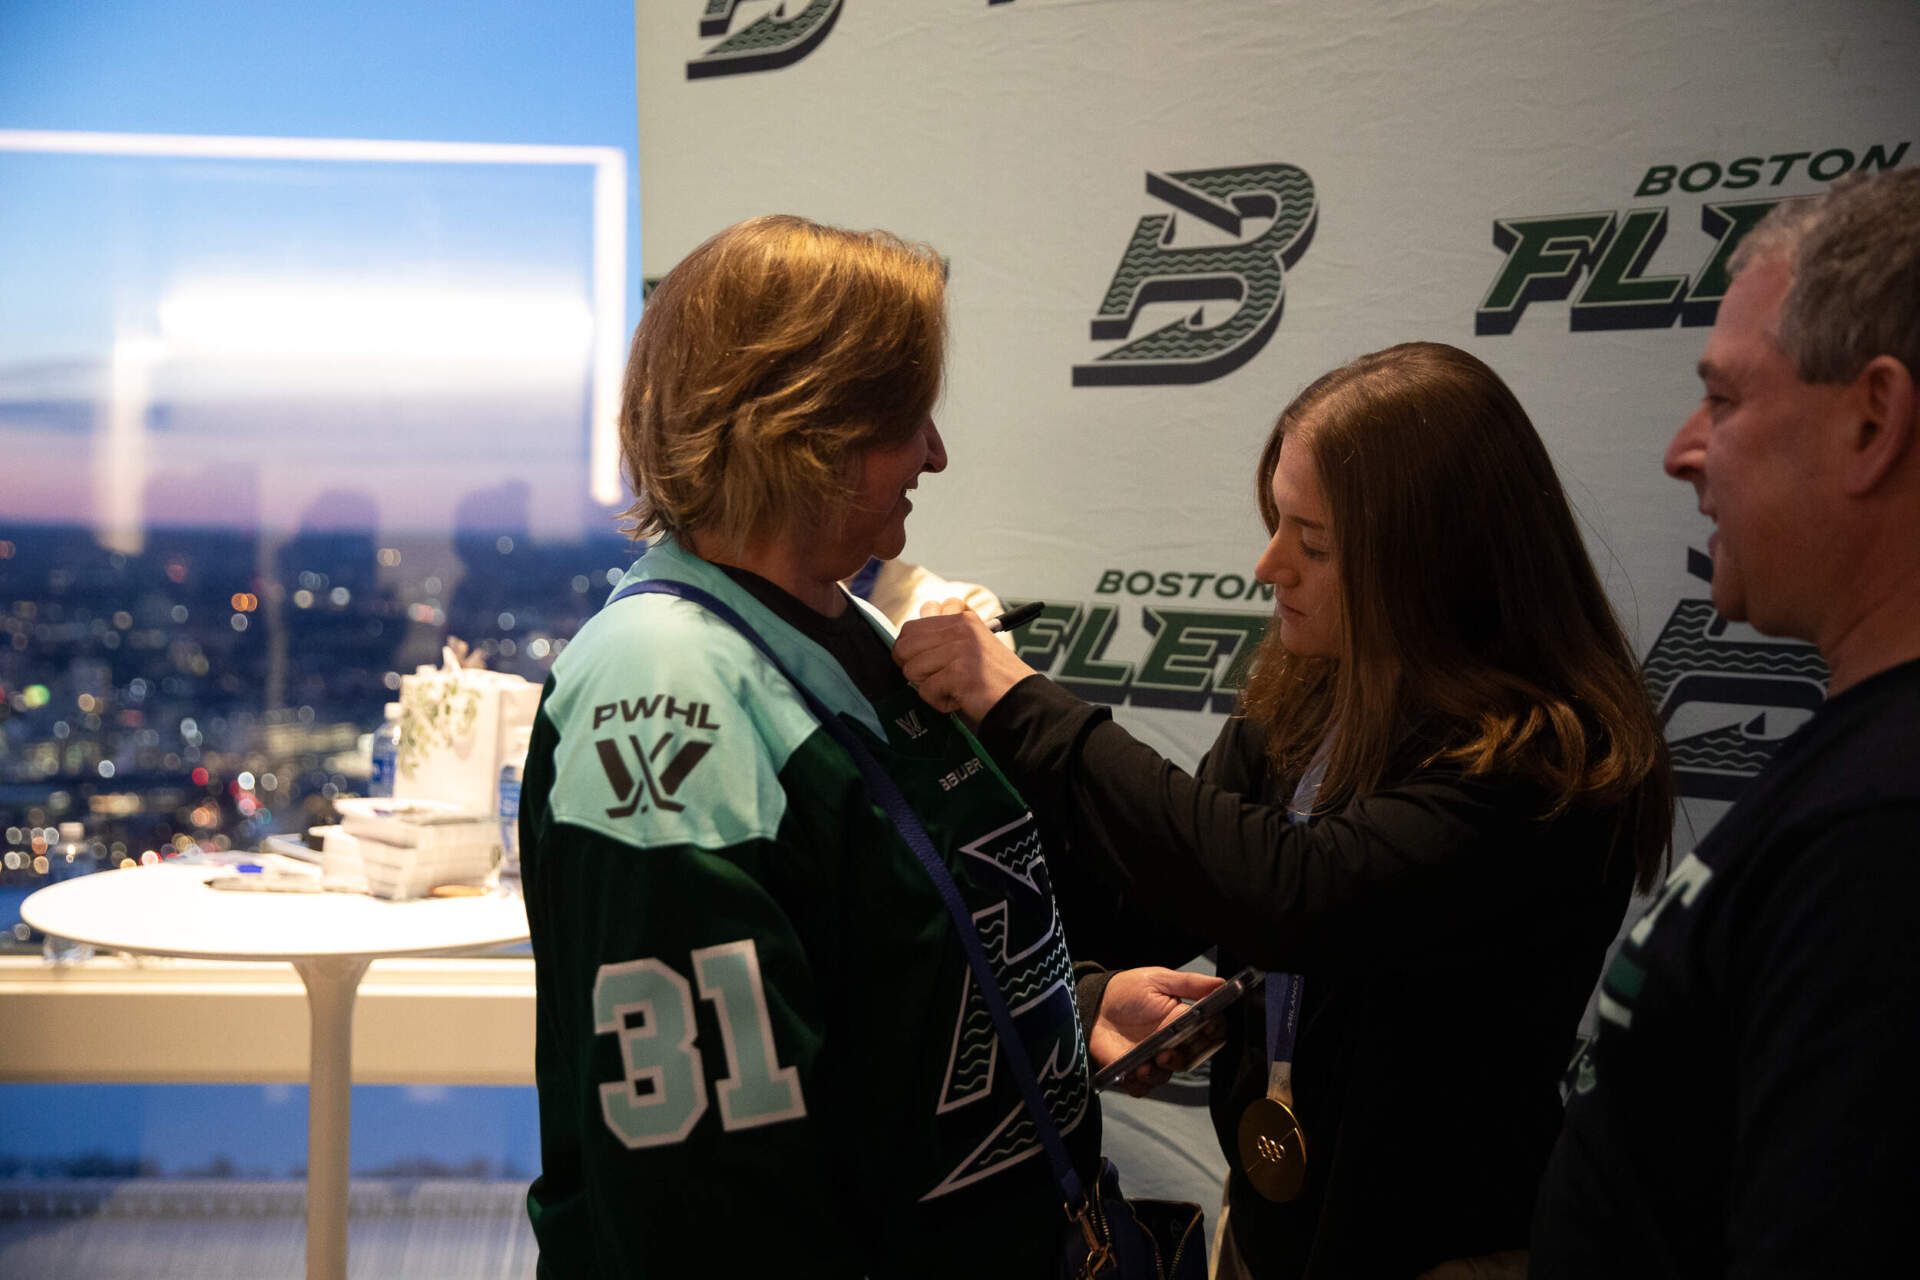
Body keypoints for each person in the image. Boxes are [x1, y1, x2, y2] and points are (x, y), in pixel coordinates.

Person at [515, 214, 1209, 1278]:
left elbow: (878, 960)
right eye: (907, 418)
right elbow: (696, 1174)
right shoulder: (666, 683)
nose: (935, 452)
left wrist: (1064, 1003)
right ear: (806, 426)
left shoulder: (840, 624)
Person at [895, 341, 1674, 1279]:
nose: (1270, 566)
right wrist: (1094, 994)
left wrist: (1022, 704)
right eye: (1275, 525)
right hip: (1267, 1232)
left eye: (1312, 542)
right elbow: (1151, 890)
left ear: (1431, 562)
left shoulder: (1543, 758)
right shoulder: (1316, 697)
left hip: (1448, 1254)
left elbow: (1294, 895)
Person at [1529, 169, 1920, 1276]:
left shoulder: (1886, 832)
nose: (1683, 448)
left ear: (1873, 421)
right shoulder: (1862, 762)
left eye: (1728, 398)